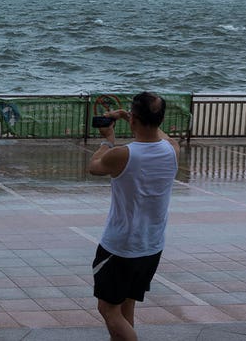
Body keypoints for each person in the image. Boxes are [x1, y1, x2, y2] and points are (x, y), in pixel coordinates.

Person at [87, 91, 179, 341]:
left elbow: (94, 167)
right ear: (159, 119)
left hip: (120, 247)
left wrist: (108, 139)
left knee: (108, 309)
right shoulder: (172, 150)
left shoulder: (122, 154)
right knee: (127, 305)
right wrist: (133, 117)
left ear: (135, 120)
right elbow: (158, 135)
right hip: (151, 245)